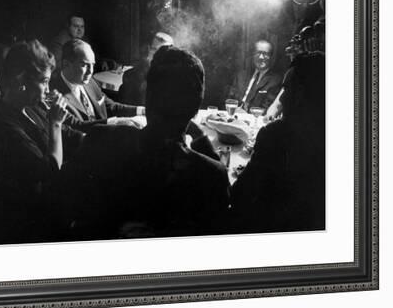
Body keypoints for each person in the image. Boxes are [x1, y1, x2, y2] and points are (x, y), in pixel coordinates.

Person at [64, 45, 229, 240]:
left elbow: (65, 205)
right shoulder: (211, 175)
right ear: (195, 110)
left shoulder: (99, 139)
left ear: (147, 97)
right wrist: (200, 138)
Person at [0, 40, 83, 244]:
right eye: (44, 82)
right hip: (38, 222)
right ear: (20, 81)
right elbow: (50, 171)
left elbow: (70, 134)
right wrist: (55, 124)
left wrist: (100, 140)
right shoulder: (4, 127)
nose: (49, 89)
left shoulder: (32, 105)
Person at [230, 53, 325, 233]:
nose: (281, 99)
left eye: (288, 89)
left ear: (302, 93)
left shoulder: (276, 134)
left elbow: (239, 195)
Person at [50, 39, 145, 132]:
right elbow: (78, 126)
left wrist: (141, 110)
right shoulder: (54, 94)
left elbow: (110, 106)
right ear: (66, 64)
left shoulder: (90, 82)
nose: (90, 71)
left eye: (92, 65)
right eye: (84, 65)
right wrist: (116, 122)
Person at [119, 31, 174, 105]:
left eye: (164, 51)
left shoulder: (174, 79)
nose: (159, 55)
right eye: (155, 50)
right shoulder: (131, 77)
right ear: (149, 50)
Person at [236, 39, 282, 113]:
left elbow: (267, 108)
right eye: (258, 53)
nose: (261, 57)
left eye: (265, 54)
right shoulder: (242, 75)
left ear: (271, 57)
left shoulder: (275, 81)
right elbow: (230, 99)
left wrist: (245, 114)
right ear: (253, 55)